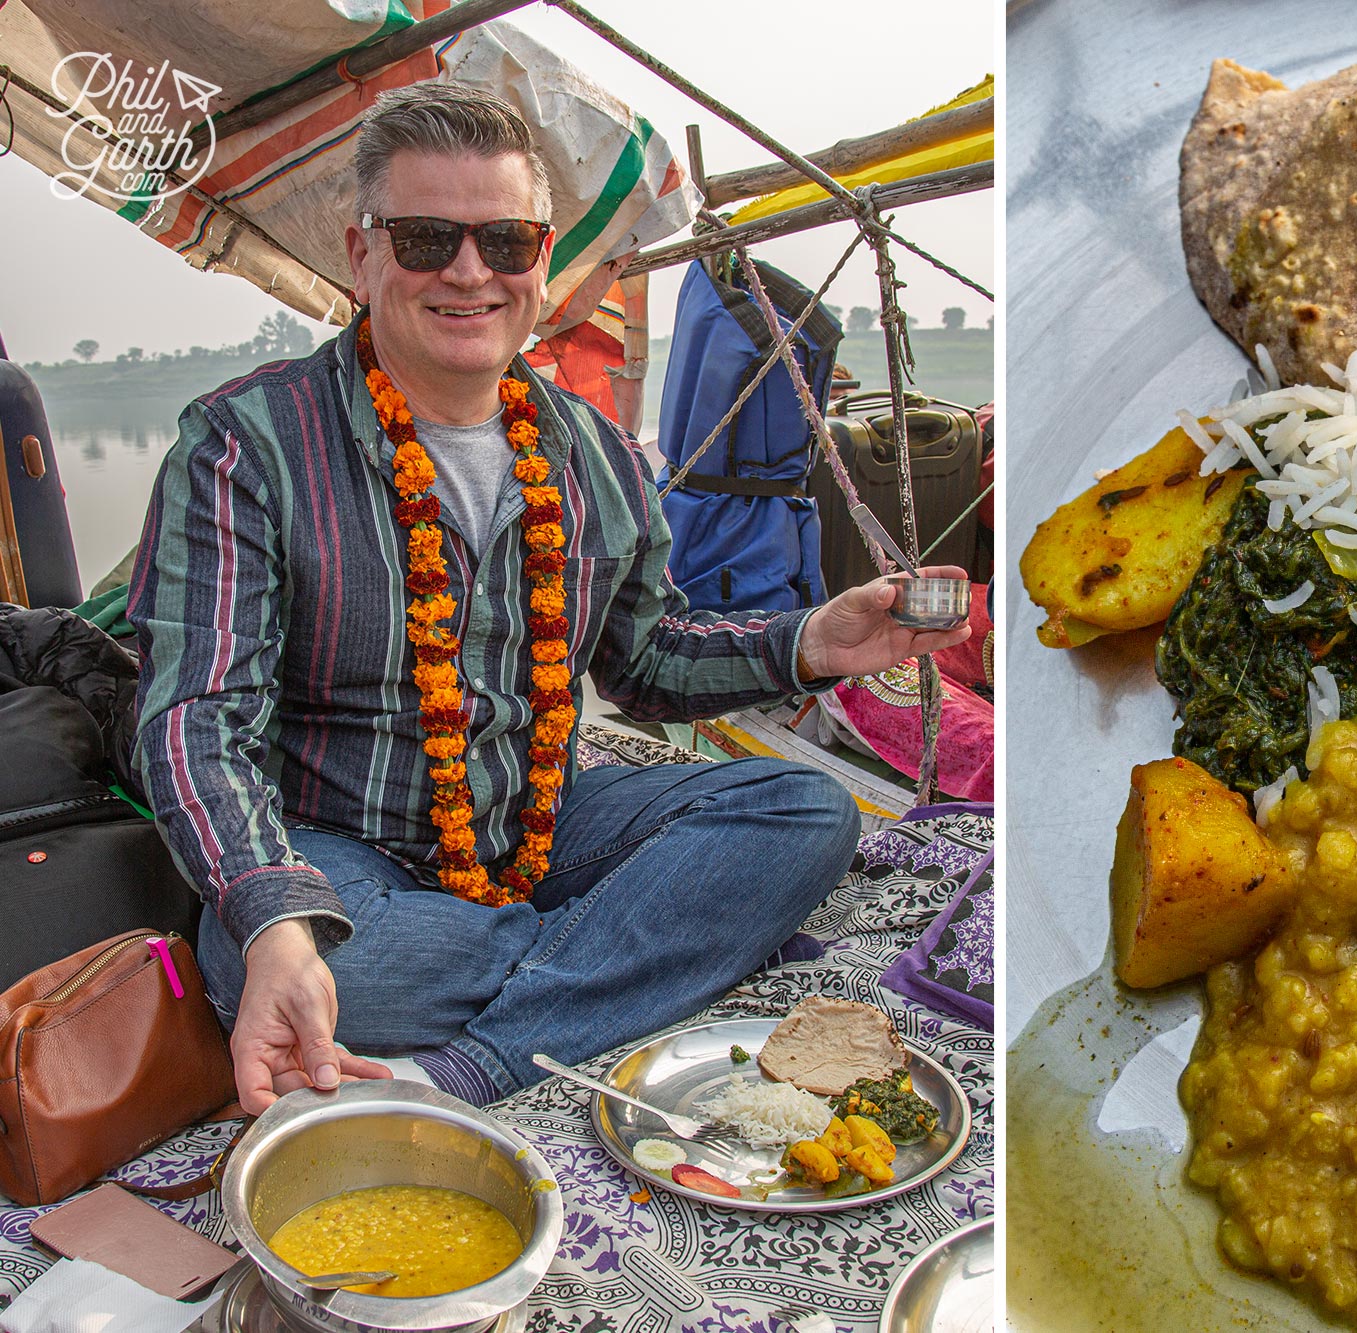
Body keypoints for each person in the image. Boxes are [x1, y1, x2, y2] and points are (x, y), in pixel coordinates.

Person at [128, 84, 969, 1115]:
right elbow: (196, 719)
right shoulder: (245, 444)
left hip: (537, 820)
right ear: (363, 255)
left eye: (507, 241)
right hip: (341, 847)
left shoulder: (595, 453)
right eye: (428, 238)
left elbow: (645, 662)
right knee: (287, 950)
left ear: (540, 260)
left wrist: (812, 641)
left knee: (803, 808)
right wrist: (272, 919)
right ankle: (656, 953)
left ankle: (478, 1054)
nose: (470, 272)